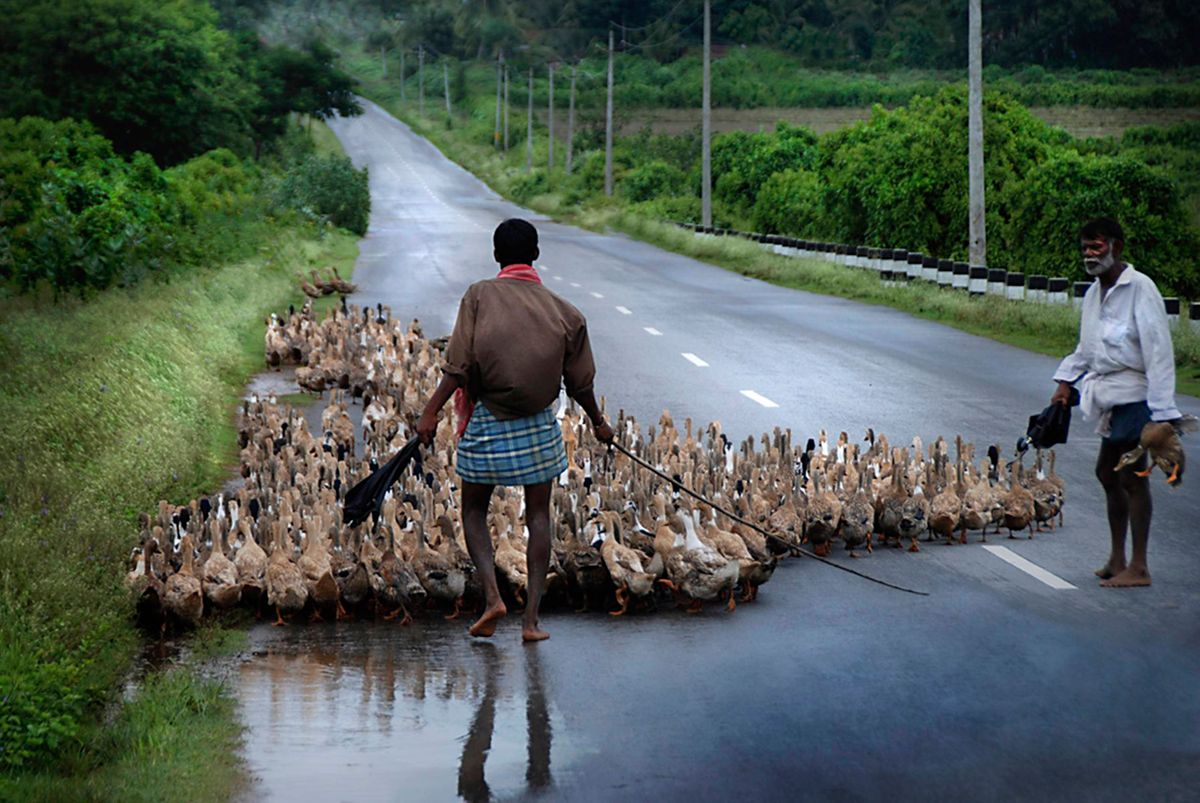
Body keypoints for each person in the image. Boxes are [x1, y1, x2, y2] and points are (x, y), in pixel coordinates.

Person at [417, 219, 614, 641]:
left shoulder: (479, 295)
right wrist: (598, 422)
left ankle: (493, 598)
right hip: (539, 424)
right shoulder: (566, 313)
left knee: (472, 510)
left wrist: (430, 412)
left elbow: (459, 367)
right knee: (539, 516)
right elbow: (581, 384)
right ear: (537, 255)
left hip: (486, 419)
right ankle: (531, 623)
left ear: (495, 256)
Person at [1050, 217, 1180, 588]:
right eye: (1086, 248)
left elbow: (1159, 352)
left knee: (1130, 477)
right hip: (1110, 396)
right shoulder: (1094, 293)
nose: (1091, 255)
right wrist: (1064, 381)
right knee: (1107, 473)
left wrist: (1163, 413)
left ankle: (1138, 566)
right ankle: (1117, 558)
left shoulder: (1141, 289)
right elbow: (1086, 348)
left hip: (1139, 397)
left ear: (1117, 248)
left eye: (1098, 246)